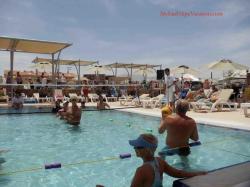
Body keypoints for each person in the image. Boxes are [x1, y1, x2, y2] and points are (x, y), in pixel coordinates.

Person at [129, 134, 206, 187]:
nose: (134, 148)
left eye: (138, 147)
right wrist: (196, 174)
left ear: (147, 149)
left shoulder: (141, 171)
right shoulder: (159, 161)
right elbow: (178, 173)